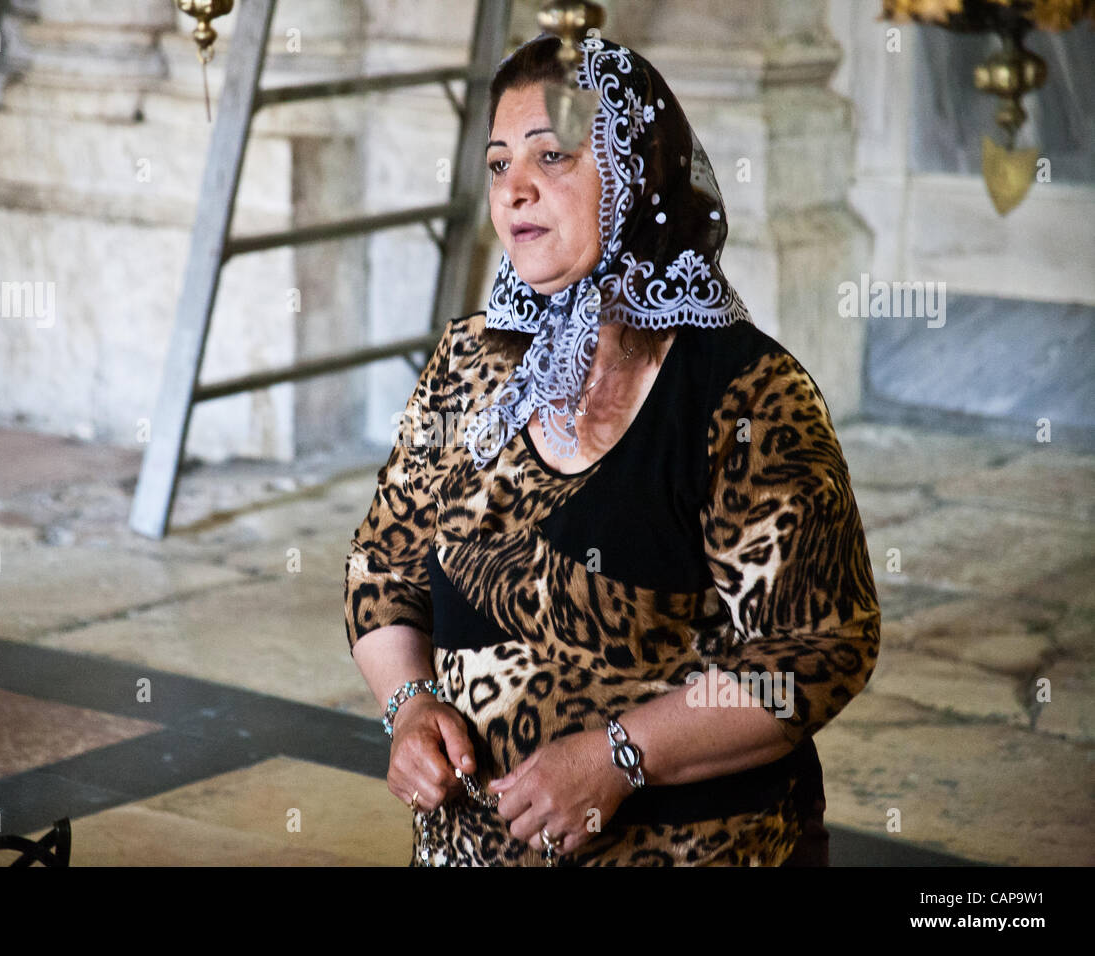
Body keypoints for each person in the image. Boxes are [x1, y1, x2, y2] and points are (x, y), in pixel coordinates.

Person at [342, 32, 880, 866]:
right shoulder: (468, 363)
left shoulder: (747, 395)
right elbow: (384, 568)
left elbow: (816, 651)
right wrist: (409, 706)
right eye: (496, 165)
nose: (514, 188)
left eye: (551, 157)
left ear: (637, 176)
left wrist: (618, 758)